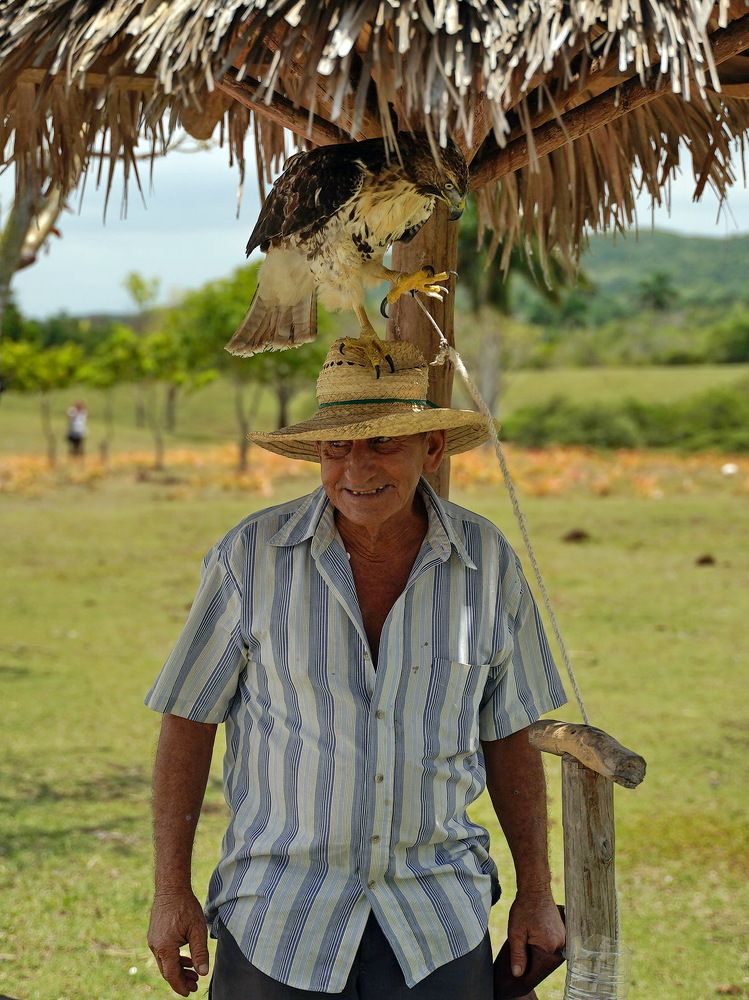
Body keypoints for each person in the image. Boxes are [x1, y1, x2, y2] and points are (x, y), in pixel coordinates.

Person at [145, 338, 567, 999]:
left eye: (380, 445)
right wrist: (171, 891)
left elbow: (509, 734)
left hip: (435, 919)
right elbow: (187, 719)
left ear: (429, 448)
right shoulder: (249, 557)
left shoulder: (486, 563)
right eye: (336, 447)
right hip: (279, 918)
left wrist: (536, 894)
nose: (354, 468)